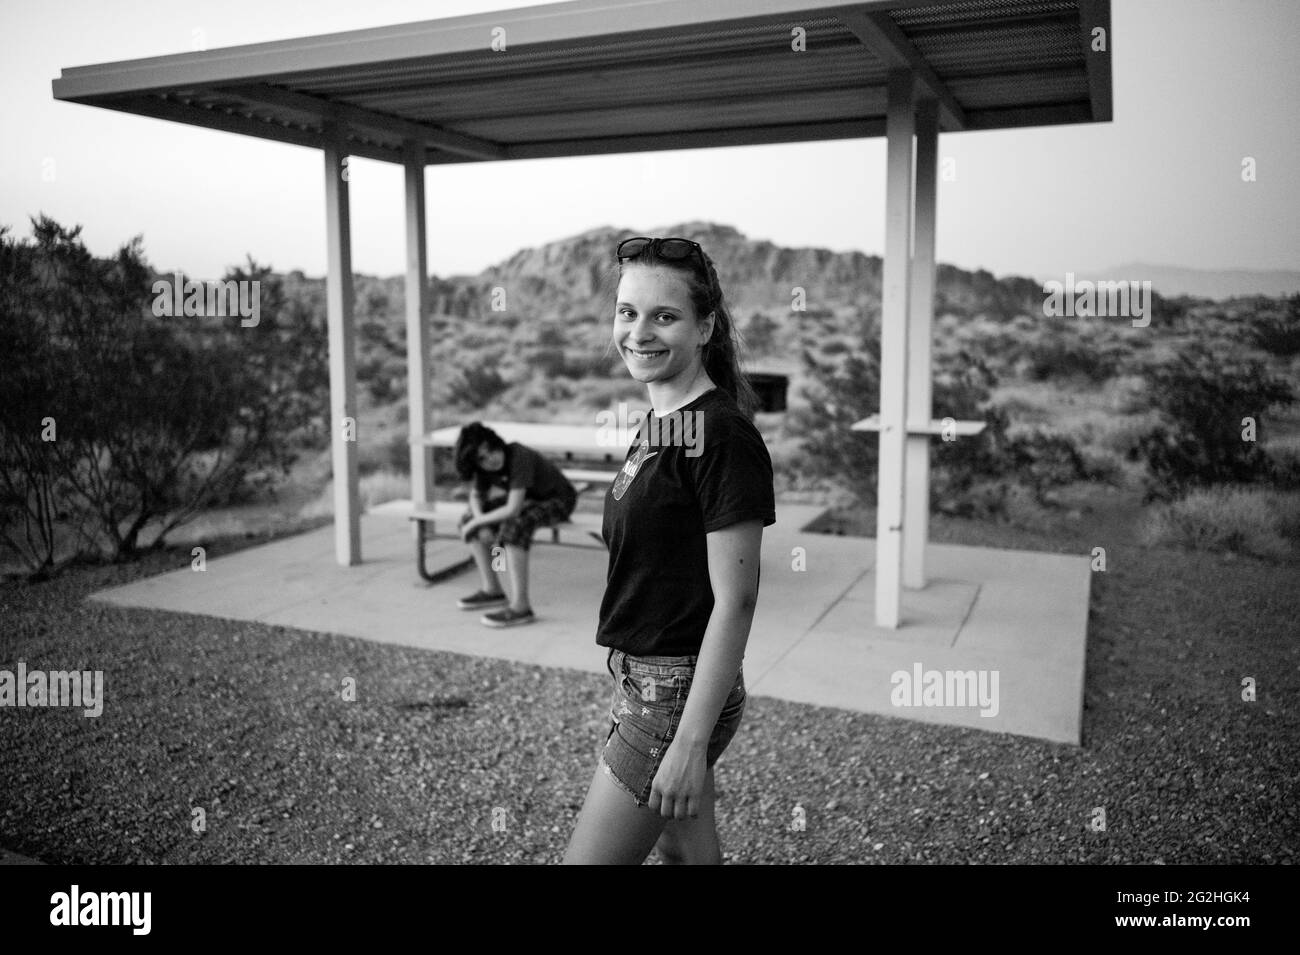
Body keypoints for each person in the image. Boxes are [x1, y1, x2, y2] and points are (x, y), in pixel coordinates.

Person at [563, 236, 775, 864]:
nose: (640, 332)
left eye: (665, 315)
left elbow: (736, 602)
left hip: (673, 695)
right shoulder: (662, 421)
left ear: (706, 324)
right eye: (628, 313)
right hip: (649, 680)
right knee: (688, 858)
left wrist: (688, 743)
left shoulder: (721, 435)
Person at [453, 422, 577, 628]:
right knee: (469, 521)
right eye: (482, 459)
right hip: (528, 499)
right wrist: (479, 522)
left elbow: (512, 509)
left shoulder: (518, 455)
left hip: (558, 500)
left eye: (491, 450)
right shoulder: (484, 469)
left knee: (514, 527)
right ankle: (492, 590)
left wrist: (479, 521)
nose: (491, 459)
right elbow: (475, 497)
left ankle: (521, 607)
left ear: (496, 443)